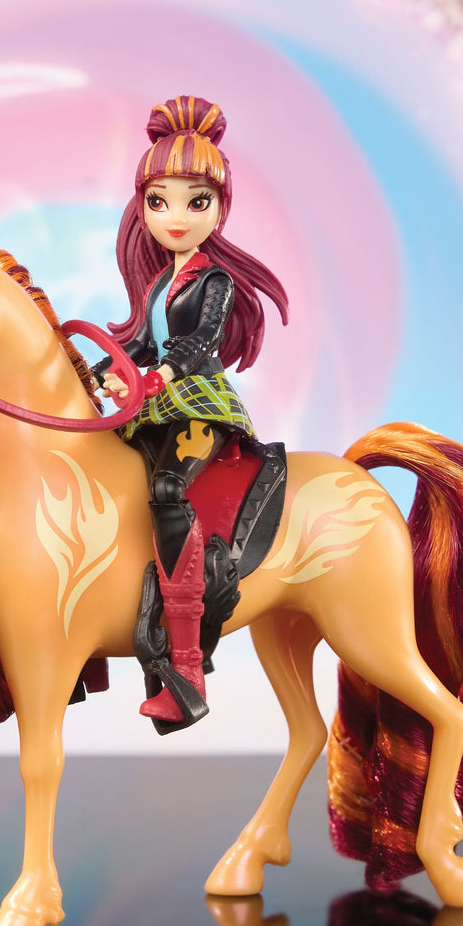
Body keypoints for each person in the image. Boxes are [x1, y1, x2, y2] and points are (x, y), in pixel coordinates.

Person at [91, 95, 288, 724]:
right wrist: (98, 369)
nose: (175, 217)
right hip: (154, 401)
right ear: (143, 206)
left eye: (195, 202)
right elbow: (139, 341)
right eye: (160, 202)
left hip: (198, 402)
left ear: (219, 208)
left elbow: (198, 342)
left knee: (169, 490)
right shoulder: (158, 282)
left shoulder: (214, 281)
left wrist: (160, 376)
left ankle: (186, 666)